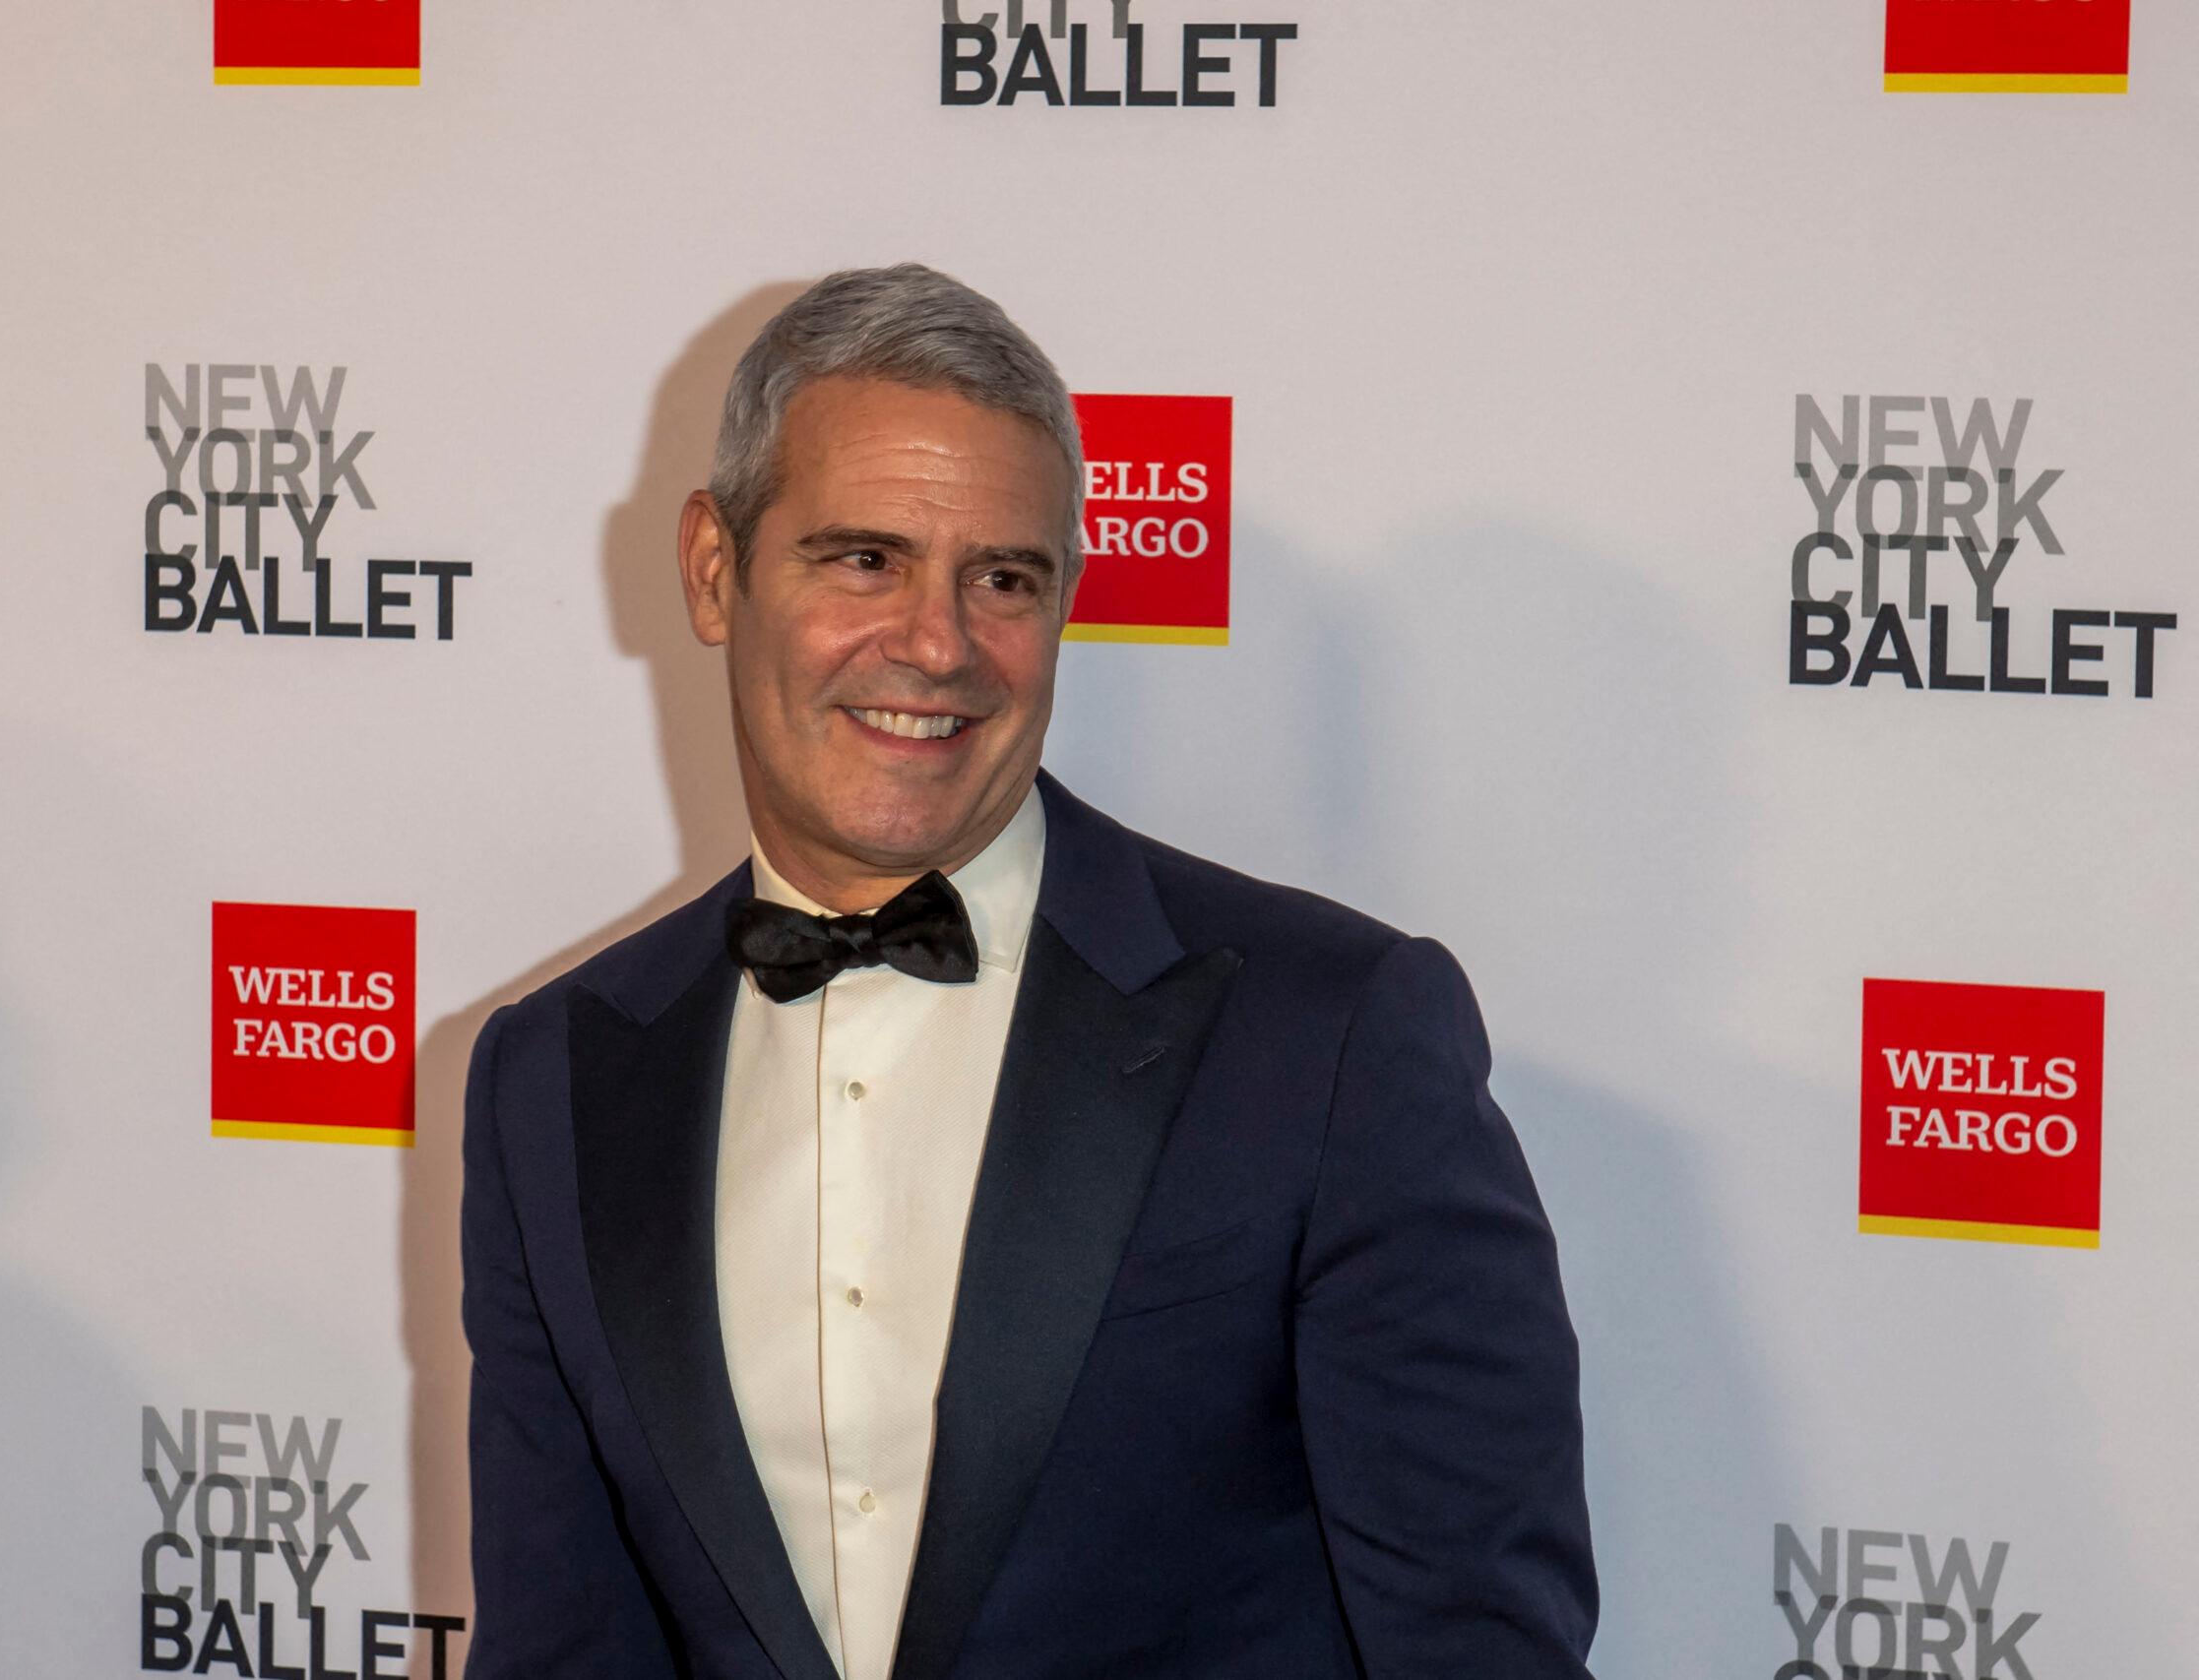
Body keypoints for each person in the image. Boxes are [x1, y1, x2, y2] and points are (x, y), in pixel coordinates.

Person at [462, 263, 1598, 1679]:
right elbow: (560, 1651)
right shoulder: (554, 1074)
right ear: (713, 568)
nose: (936, 646)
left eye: (1002, 579)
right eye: (862, 559)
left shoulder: (1331, 1039)